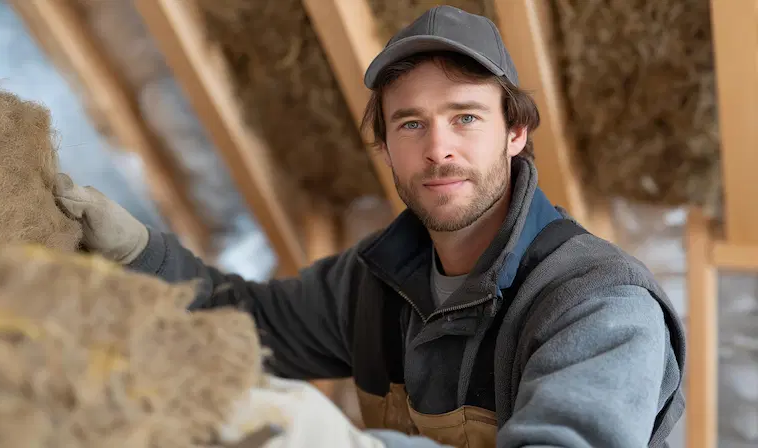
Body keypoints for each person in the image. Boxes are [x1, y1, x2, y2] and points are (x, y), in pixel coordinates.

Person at [54, 5, 686, 447]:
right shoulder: (374, 281)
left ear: (516, 132)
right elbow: (243, 323)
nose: (438, 149)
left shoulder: (599, 303)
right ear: (385, 146)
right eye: (411, 124)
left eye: (465, 117)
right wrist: (141, 254)